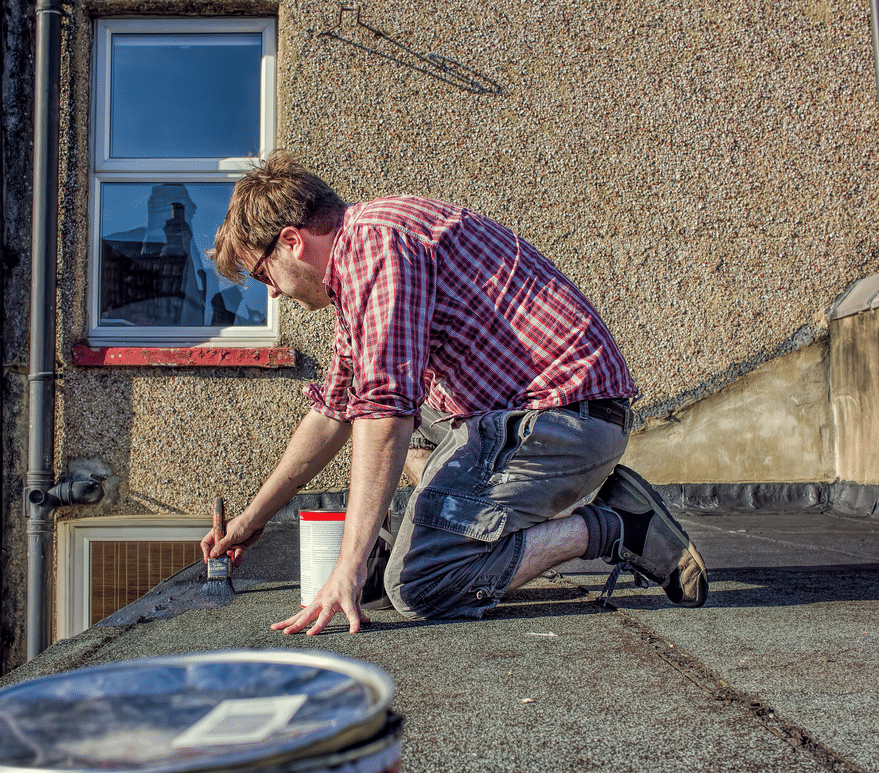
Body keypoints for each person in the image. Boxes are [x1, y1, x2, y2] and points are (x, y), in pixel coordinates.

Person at [200, 151, 708, 635]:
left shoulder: (376, 247)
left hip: (563, 419)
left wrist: (348, 569)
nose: (270, 291)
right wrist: (250, 519)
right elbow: (335, 410)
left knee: (420, 584)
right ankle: (448, 526)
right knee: (376, 419)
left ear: (291, 241)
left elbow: (384, 411)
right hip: (524, 415)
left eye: (262, 273)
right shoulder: (364, 255)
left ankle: (615, 524)